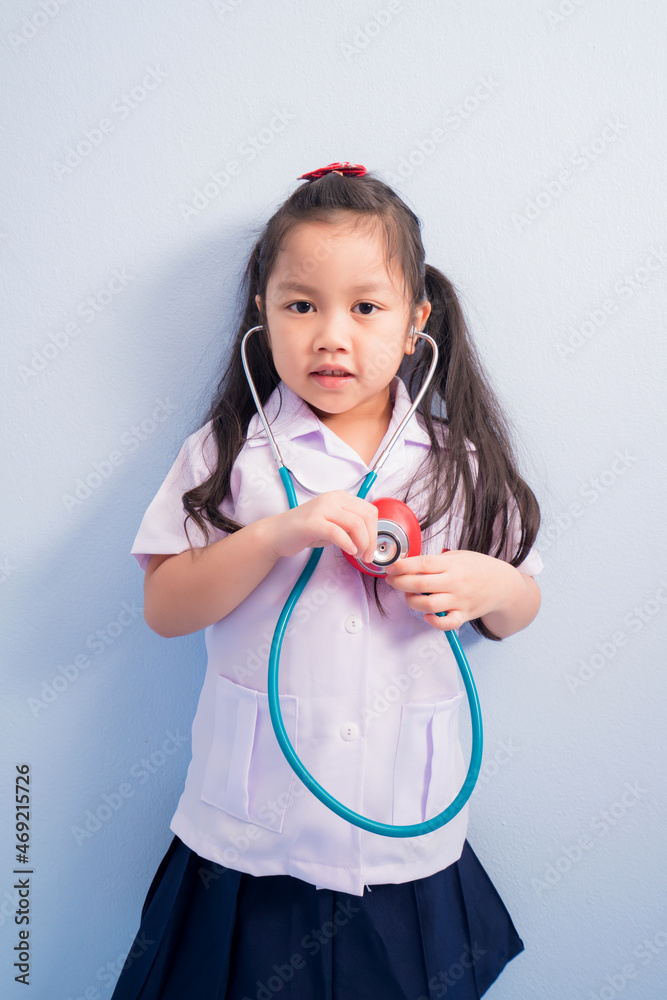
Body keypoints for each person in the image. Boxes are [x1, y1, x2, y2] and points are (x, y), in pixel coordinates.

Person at [110, 161, 543, 1000]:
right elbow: (165, 607)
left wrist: (487, 588)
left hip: (400, 841)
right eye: (300, 305)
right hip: (248, 836)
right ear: (261, 317)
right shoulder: (229, 455)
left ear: (417, 321)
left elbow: (520, 602)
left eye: (366, 307)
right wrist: (277, 534)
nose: (330, 336)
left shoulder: (457, 464)